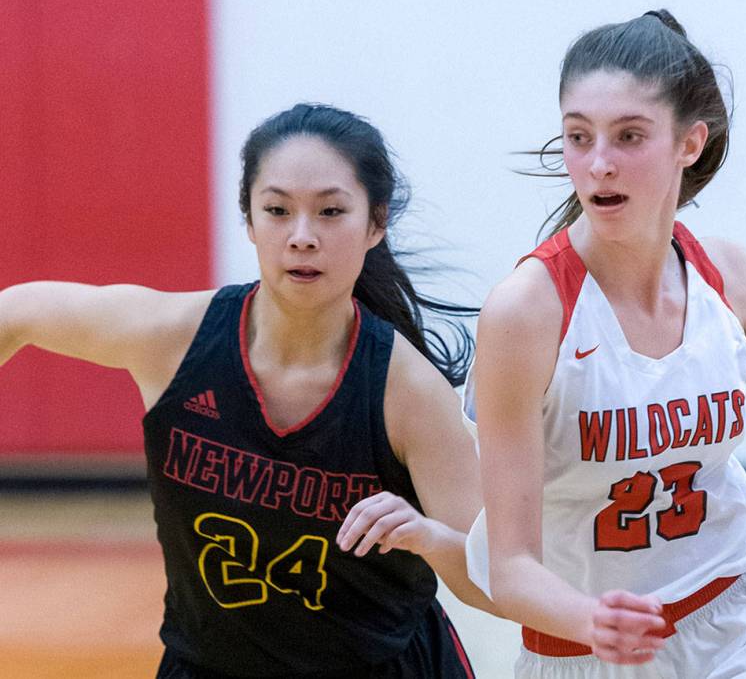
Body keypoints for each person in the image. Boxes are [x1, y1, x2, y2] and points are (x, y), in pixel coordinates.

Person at [464, 9, 746, 679]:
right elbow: (512, 569)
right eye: (579, 137)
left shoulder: (729, 278)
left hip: (743, 621)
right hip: (586, 649)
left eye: (629, 136)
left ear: (689, 143)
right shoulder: (525, 314)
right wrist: (591, 619)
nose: (599, 163)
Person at [0, 103, 491, 678]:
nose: (302, 237)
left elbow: (491, 579)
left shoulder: (407, 391)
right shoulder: (175, 340)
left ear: (375, 224)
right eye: (278, 210)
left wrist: (429, 537)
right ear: (250, 220)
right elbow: (19, 311)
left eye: (331, 211)